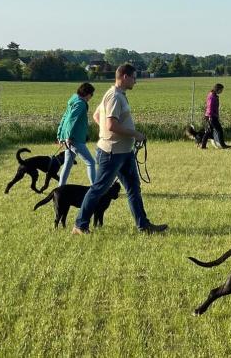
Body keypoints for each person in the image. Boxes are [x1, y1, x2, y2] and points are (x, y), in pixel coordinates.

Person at [72, 64, 168, 235]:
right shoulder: (115, 96)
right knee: (98, 189)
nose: (136, 81)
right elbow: (111, 124)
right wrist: (135, 134)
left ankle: (143, 226)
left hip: (123, 152)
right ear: (125, 77)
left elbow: (96, 116)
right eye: (134, 77)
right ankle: (80, 225)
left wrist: (109, 133)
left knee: (133, 188)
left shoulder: (115, 94)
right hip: (111, 153)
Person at [57, 82, 96, 186]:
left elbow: (64, 118)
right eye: (92, 94)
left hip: (69, 139)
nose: (91, 97)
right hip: (75, 139)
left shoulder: (74, 101)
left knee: (67, 164)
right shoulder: (80, 103)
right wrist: (68, 137)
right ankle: (96, 190)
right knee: (91, 162)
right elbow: (71, 120)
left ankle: (60, 188)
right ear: (87, 93)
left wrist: (60, 135)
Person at [199, 83, 231, 149]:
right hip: (211, 116)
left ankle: (203, 146)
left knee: (208, 131)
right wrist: (210, 117)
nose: (222, 91)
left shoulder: (212, 95)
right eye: (221, 90)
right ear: (218, 89)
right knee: (219, 130)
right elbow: (210, 107)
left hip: (210, 116)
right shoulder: (212, 96)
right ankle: (223, 145)